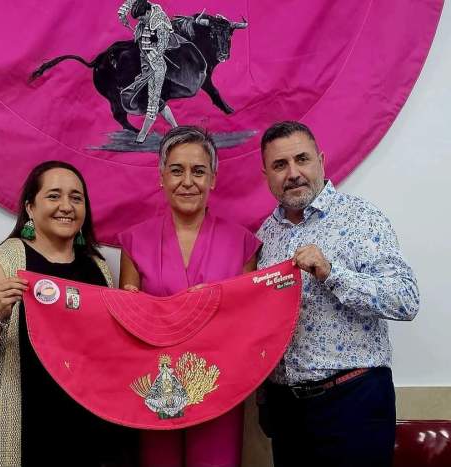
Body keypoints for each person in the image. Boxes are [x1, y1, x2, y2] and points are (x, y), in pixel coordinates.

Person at [0, 161, 138, 467]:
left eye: (76, 198)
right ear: (30, 207)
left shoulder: (97, 267)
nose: (66, 206)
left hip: (93, 431)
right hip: (29, 429)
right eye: (54, 196)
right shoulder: (6, 262)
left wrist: (131, 314)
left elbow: (107, 349)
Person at [256, 121, 420, 467]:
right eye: (280, 165)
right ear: (266, 175)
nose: (293, 173)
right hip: (286, 411)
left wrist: (332, 273)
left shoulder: (361, 219)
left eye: (302, 159)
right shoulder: (264, 236)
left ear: (321, 161)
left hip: (353, 402)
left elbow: (406, 299)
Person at [119, 125, 261, 466]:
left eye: (198, 171)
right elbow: (128, 318)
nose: (187, 181)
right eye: (176, 170)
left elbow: (249, 321)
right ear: (161, 178)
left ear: (213, 179)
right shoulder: (134, 241)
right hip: (157, 386)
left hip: (219, 383)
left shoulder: (243, 243)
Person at [118, 0, 178, 142]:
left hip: (155, 67)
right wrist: (122, 14)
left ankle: (142, 135)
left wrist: (149, 57)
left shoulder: (160, 21)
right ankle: (176, 128)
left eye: (142, 18)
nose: (141, 21)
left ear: (148, 12)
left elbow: (162, 46)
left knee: (152, 104)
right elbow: (132, 2)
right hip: (145, 67)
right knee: (157, 102)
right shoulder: (145, 8)